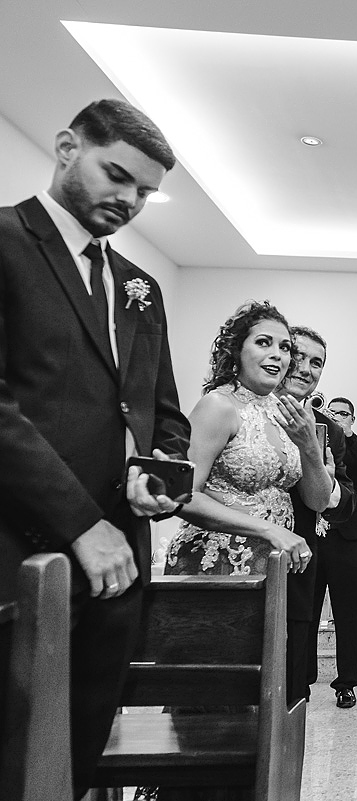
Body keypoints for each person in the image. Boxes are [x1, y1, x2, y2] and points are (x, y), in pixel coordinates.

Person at [0, 99, 191, 798]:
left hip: (120, 561)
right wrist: (82, 524)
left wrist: (158, 477)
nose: (130, 200)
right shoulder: (6, 242)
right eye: (117, 175)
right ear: (66, 148)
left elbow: (162, 411)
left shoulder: (141, 287)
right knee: (16, 760)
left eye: (145, 191)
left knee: (77, 757)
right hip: (22, 553)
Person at [164, 301, 321, 578]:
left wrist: (310, 448)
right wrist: (269, 529)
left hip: (268, 565)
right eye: (263, 343)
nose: (277, 355)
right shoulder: (218, 406)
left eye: (285, 348)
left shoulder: (284, 412)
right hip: (213, 561)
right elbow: (182, 495)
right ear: (237, 350)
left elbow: (318, 502)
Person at [282, 326, 355, 706]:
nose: (306, 369)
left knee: (290, 691)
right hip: (242, 555)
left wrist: (326, 480)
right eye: (298, 356)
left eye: (317, 363)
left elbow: (342, 501)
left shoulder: (329, 430)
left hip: (298, 560)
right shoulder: (238, 409)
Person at [313, 396, 357, 709]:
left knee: (347, 614)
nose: (338, 417)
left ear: (353, 418)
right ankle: (301, 681)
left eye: (344, 414)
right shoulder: (315, 442)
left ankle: (346, 684)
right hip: (313, 536)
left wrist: (345, 434)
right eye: (333, 412)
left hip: (350, 537)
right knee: (307, 612)